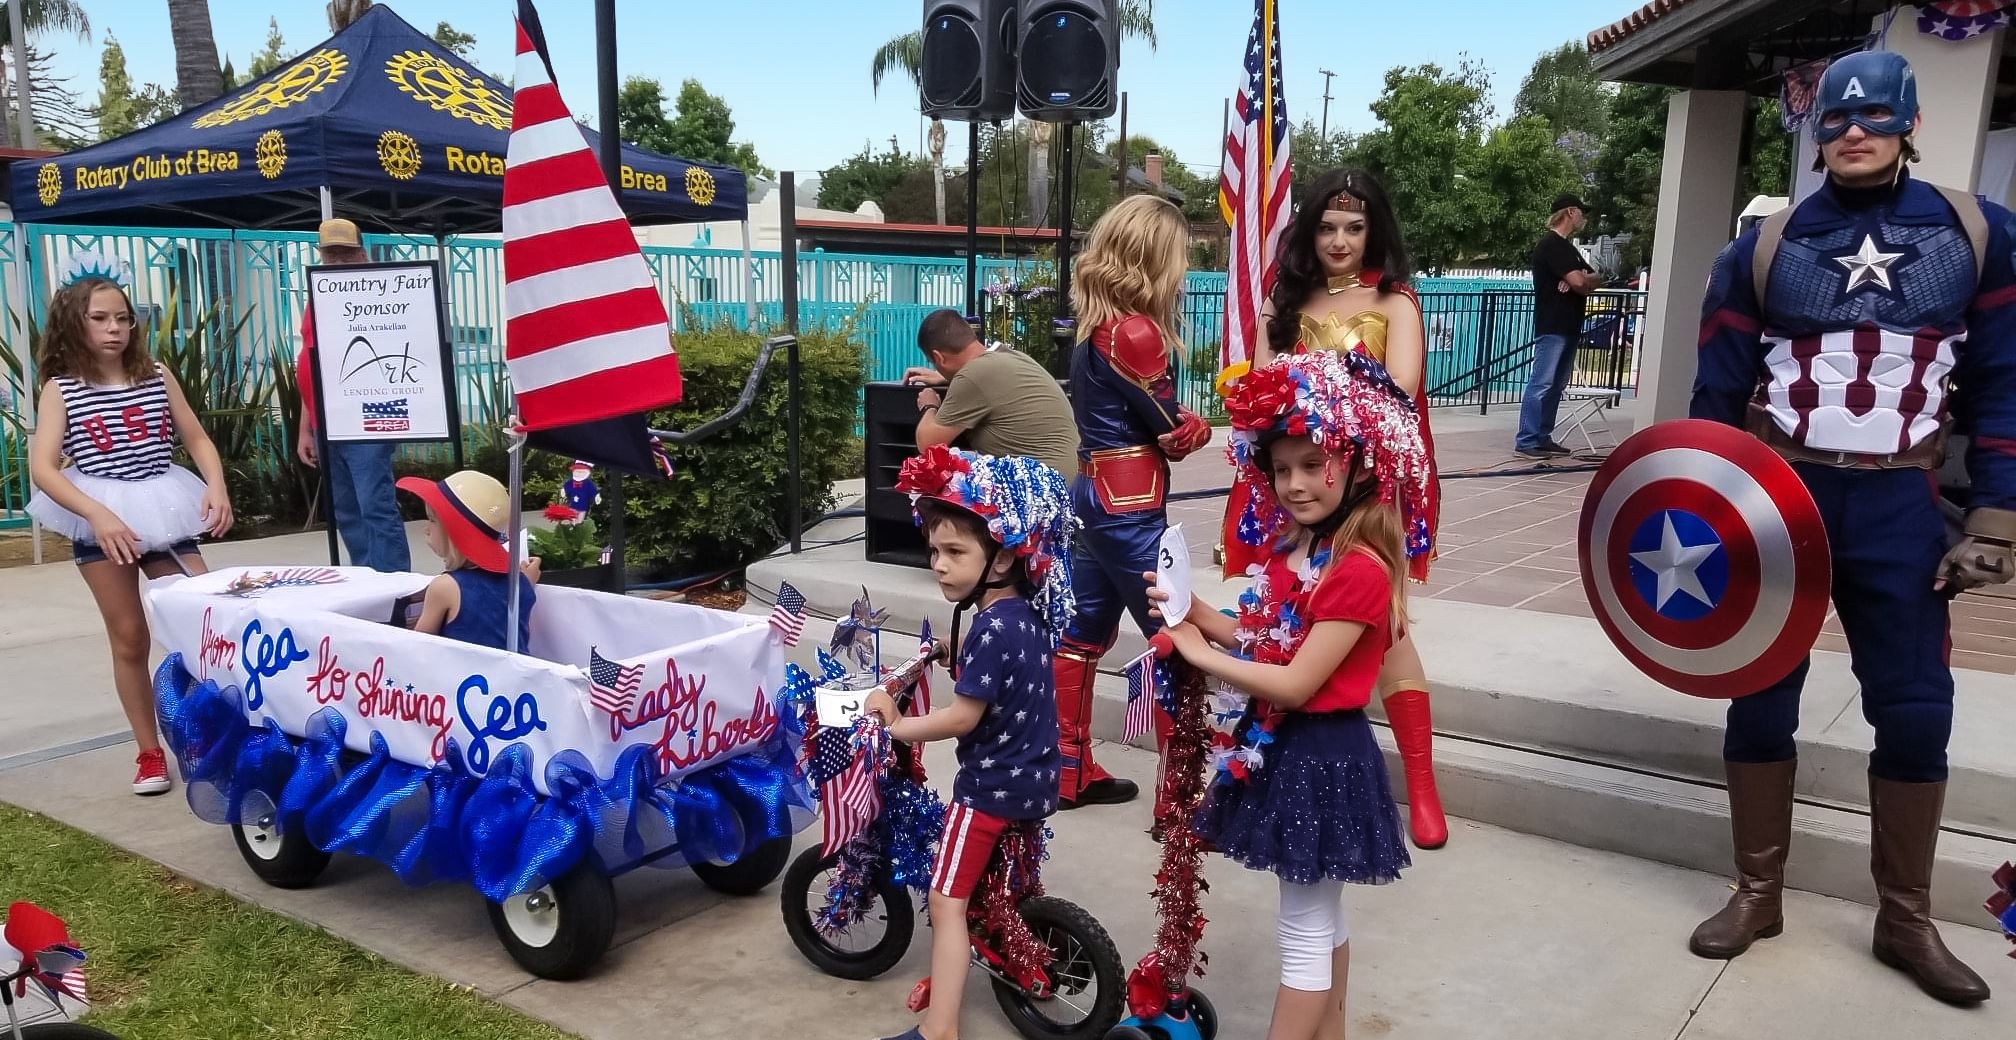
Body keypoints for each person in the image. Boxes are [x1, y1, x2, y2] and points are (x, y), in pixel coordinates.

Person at [1690, 49, 2016, 1006]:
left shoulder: (1979, 233)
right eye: (1837, 119)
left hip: (1902, 504)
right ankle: (1759, 891)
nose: (1855, 132)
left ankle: (1904, 920)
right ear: (1816, 126)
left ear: (1909, 122)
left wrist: (1995, 516)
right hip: (1782, 499)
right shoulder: (1759, 245)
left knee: (1916, 710)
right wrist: (1705, 517)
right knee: (1760, 694)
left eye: (1875, 117)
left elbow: (2003, 384)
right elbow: (1716, 398)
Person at [1151, 350, 1430, 1040]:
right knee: (1320, 918)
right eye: (1281, 469)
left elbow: (1298, 681)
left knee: (1303, 931)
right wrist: (1191, 614)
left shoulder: (1359, 568)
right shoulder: (1302, 549)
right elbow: (1262, 637)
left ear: (1355, 462)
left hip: (1322, 759)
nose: (1296, 483)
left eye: (1314, 465)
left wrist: (1199, 654)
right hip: (1294, 755)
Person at [1232, 168, 1450, 849]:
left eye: (1354, 227)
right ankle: (1279, 761)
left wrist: (1323, 392)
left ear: (1373, 229)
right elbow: (1261, 387)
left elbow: (1402, 388)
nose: (1339, 239)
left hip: (1364, 488)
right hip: (1296, 487)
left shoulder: (1395, 301)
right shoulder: (1288, 300)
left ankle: (1421, 786)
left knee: (1383, 623)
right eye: (1327, 226)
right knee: (1292, 612)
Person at [869, 445, 1075, 1040]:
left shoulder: (990, 627)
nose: (940, 564)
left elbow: (962, 717)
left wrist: (897, 723)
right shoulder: (1023, 617)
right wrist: (944, 653)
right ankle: (999, 953)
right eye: (934, 550)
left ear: (1006, 555)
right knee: (994, 891)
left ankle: (940, 1030)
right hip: (1037, 780)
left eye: (956, 552)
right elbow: (1000, 675)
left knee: (946, 901)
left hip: (989, 788)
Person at [26, 255, 234, 796]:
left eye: (122, 318)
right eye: (100, 318)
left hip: (164, 509)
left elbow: (196, 438)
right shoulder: (61, 388)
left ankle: (214, 735)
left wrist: (216, 484)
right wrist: (96, 515)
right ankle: (148, 753)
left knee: (203, 620)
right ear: (76, 323)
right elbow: (44, 468)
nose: (115, 328)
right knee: (129, 638)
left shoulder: (156, 375)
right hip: (102, 518)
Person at [1054, 195, 1214, 811]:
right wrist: (1195, 428)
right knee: (1174, 634)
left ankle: (1068, 772)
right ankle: (1182, 800)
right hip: (1130, 502)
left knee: (1080, 635)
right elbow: (1169, 430)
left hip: (1094, 495)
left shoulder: (1097, 325)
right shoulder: (1136, 330)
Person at [297, 217, 411, 573]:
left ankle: (394, 586)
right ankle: (368, 579)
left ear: (362, 256)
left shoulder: (379, 295)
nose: (337, 264)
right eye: (331, 257)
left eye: (345, 257)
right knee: (347, 510)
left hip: (367, 416)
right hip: (325, 421)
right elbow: (310, 361)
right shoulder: (318, 296)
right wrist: (306, 427)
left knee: (373, 505)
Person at [904, 308, 1079, 480]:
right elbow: (988, 386)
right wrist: (946, 377)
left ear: (939, 357)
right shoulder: (1012, 357)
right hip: (1069, 482)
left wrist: (929, 404)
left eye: (933, 363)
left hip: (1042, 488)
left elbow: (928, 444)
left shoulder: (973, 375)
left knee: (936, 487)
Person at [395, 471, 539, 653]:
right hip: (517, 676)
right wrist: (527, 580)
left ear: (455, 533)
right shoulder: (521, 583)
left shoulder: (444, 587)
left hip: (466, 680)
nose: (426, 529)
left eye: (432, 520)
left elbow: (418, 648)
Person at [1515, 192, 1599, 459]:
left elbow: (1595, 277)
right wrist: (1580, 282)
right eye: (1581, 212)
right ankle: (1527, 439)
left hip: (1570, 324)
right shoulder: (1551, 245)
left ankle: (1543, 436)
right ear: (1570, 212)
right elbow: (1578, 283)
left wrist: (1584, 281)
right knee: (1542, 382)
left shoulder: (1570, 249)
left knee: (1556, 385)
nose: (1583, 217)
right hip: (1552, 325)